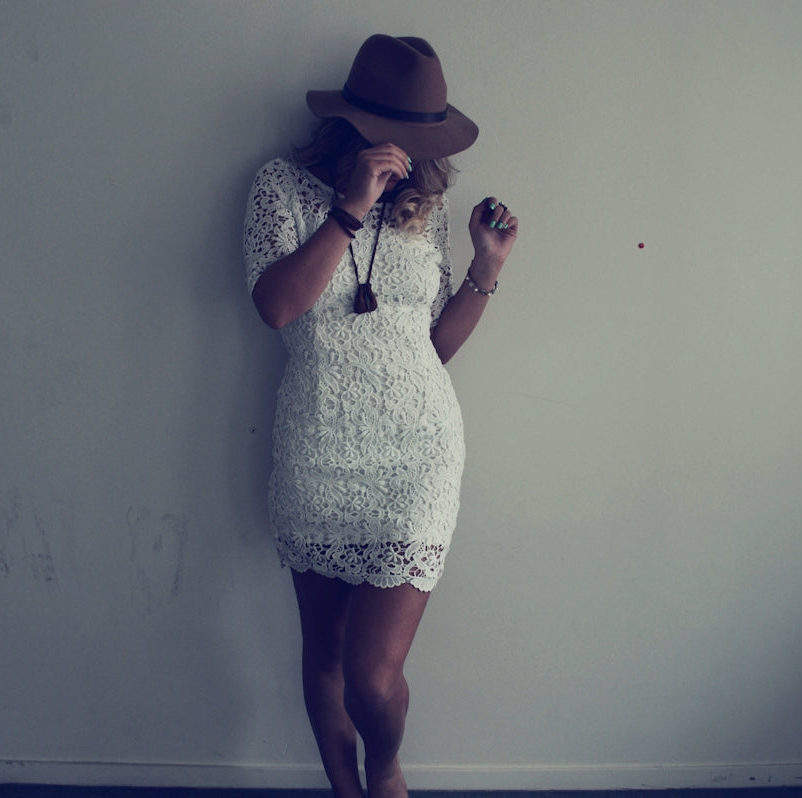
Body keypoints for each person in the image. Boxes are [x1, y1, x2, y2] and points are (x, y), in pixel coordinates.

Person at [243, 34, 518, 798]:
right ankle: (345, 790)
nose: (412, 149)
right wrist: (348, 210)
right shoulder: (281, 185)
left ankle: (385, 767)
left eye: (426, 135)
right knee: (325, 657)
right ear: (352, 118)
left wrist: (485, 270)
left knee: (371, 677)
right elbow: (277, 308)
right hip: (318, 447)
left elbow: (431, 346)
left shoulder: (427, 205)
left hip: (417, 453)